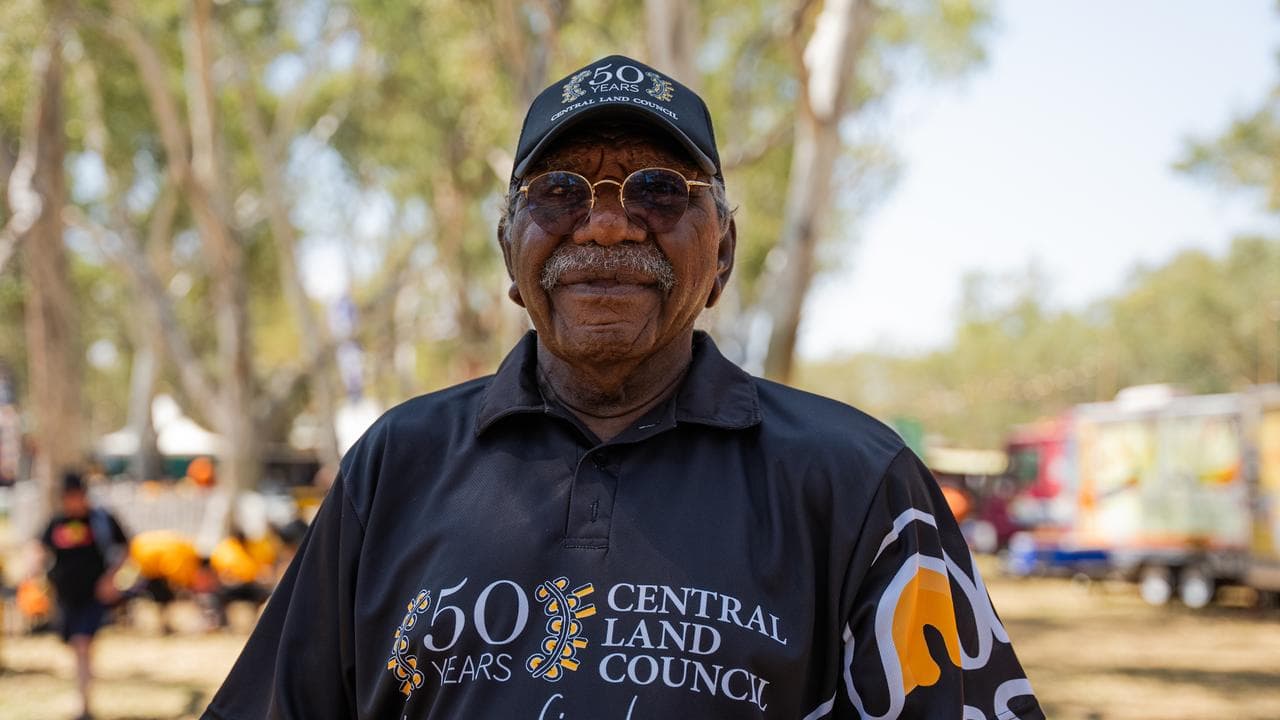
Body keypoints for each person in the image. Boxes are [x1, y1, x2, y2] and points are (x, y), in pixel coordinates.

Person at [205, 55, 1043, 720]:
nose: (606, 222)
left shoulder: (858, 483)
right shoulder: (395, 465)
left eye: (659, 191)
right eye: (560, 191)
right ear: (508, 253)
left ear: (721, 254)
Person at [33, 472, 129, 720]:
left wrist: (111, 578)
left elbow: (127, 547)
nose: (73, 502)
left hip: (93, 596)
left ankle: (84, 706)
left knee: (82, 644)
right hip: (65, 598)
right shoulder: (57, 522)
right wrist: (35, 573)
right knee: (76, 646)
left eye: (77, 496)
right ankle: (83, 695)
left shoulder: (100, 521)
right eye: (68, 497)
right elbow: (40, 549)